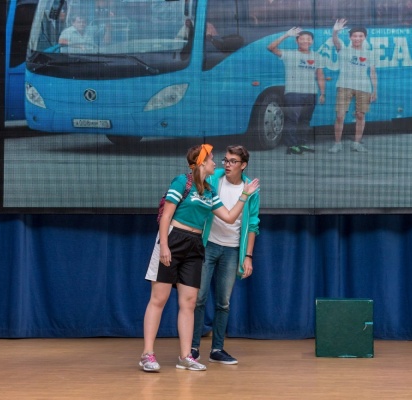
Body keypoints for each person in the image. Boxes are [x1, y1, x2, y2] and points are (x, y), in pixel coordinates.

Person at [140, 144, 260, 372]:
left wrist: (245, 195)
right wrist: (164, 245)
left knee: (189, 302)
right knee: (159, 298)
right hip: (173, 239)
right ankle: (147, 354)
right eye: (212, 159)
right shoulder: (181, 182)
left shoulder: (209, 190)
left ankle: (186, 356)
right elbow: (166, 216)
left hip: (195, 245)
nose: (217, 163)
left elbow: (229, 217)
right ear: (202, 162)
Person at [191, 145, 260, 365]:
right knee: (198, 298)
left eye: (233, 161)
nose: (227, 165)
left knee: (223, 302)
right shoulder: (214, 178)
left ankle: (217, 349)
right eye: (225, 160)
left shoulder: (250, 189)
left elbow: (253, 224)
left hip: (232, 250)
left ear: (243, 165)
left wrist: (248, 256)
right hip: (208, 245)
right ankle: (192, 348)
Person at [267, 27, 325, 155]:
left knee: (305, 120)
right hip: (294, 92)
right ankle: (291, 145)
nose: (305, 41)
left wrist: (322, 93)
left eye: (308, 39)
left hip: (311, 92)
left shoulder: (316, 56)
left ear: (312, 41)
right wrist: (286, 35)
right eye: (302, 39)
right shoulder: (290, 54)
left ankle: (302, 143)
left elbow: (320, 75)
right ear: (297, 41)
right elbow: (270, 47)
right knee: (292, 119)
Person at [328, 19, 377, 153]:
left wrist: (374, 90)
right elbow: (336, 42)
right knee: (340, 116)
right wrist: (335, 32)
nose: (357, 38)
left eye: (360, 36)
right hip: (344, 86)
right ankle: (337, 144)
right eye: (355, 36)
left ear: (365, 37)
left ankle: (356, 143)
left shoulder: (369, 53)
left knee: (360, 115)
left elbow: (372, 72)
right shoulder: (344, 50)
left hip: (364, 87)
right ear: (350, 37)